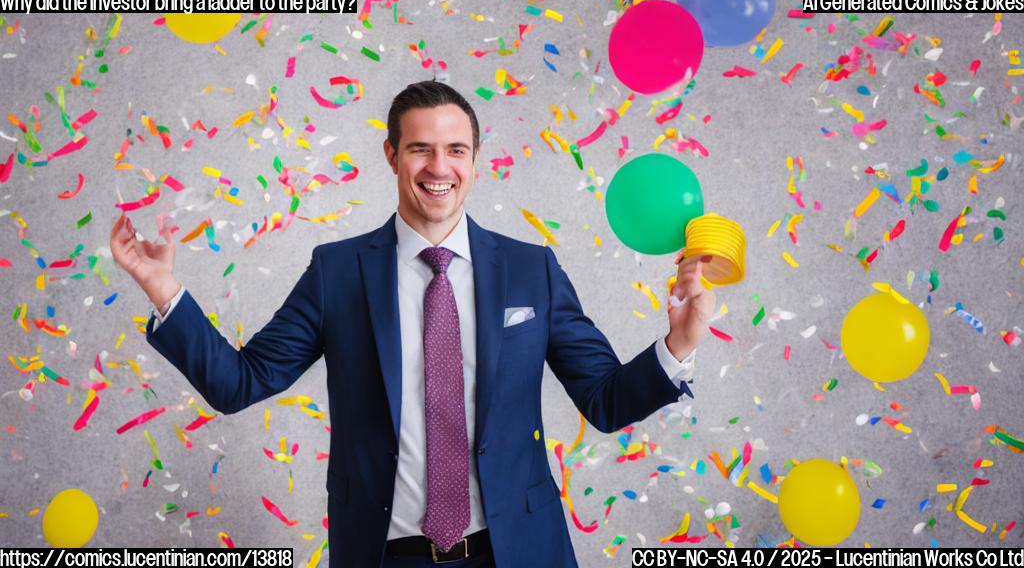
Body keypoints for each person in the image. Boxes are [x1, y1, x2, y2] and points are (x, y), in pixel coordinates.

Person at [109, 81, 716, 567]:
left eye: (456, 149)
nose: (438, 166)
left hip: (517, 550)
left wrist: (679, 343)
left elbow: (604, 400)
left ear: (475, 160)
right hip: (386, 554)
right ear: (392, 155)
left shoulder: (532, 270)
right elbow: (239, 383)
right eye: (421, 148)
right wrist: (163, 289)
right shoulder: (337, 272)